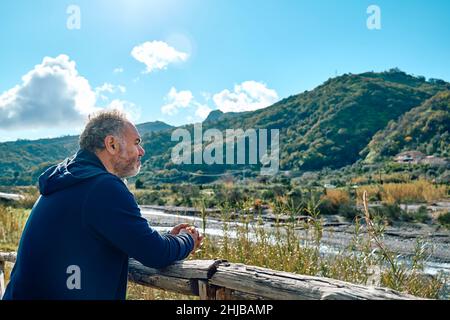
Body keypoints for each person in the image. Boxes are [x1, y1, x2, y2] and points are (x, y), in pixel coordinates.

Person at [3, 110, 203, 300]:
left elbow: (119, 236)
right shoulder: (102, 187)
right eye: (136, 142)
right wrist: (188, 239)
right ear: (112, 144)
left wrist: (167, 237)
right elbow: (157, 254)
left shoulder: (69, 180)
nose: (142, 151)